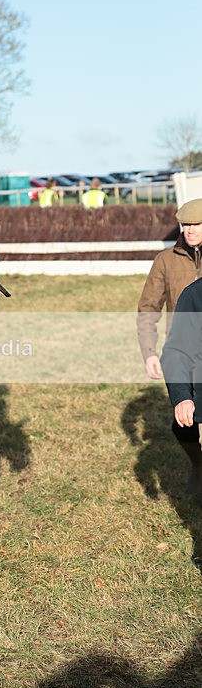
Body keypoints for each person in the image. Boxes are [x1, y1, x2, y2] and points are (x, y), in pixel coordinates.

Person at [143, 198, 202, 501]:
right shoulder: (165, 261)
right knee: (183, 420)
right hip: (180, 353)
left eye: (197, 224)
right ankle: (197, 464)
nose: (190, 230)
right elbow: (148, 308)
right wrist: (150, 351)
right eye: (186, 225)